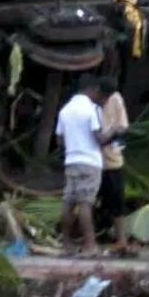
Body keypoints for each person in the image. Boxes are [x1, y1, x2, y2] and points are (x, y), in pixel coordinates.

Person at [56, 77, 122, 255]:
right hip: (89, 162)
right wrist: (114, 131)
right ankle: (89, 245)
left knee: (69, 202)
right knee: (85, 203)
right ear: (91, 89)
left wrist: (74, 143)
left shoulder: (65, 110)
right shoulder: (92, 109)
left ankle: (66, 245)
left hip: (71, 161)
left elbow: (60, 140)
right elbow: (99, 138)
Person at [97, 81, 131, 251]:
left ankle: (121, 240)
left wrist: (108, 136)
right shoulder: (93, 103)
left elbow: (123, 127)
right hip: (96, 161)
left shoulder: (115, 99)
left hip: (111, 159)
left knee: (116, 201)